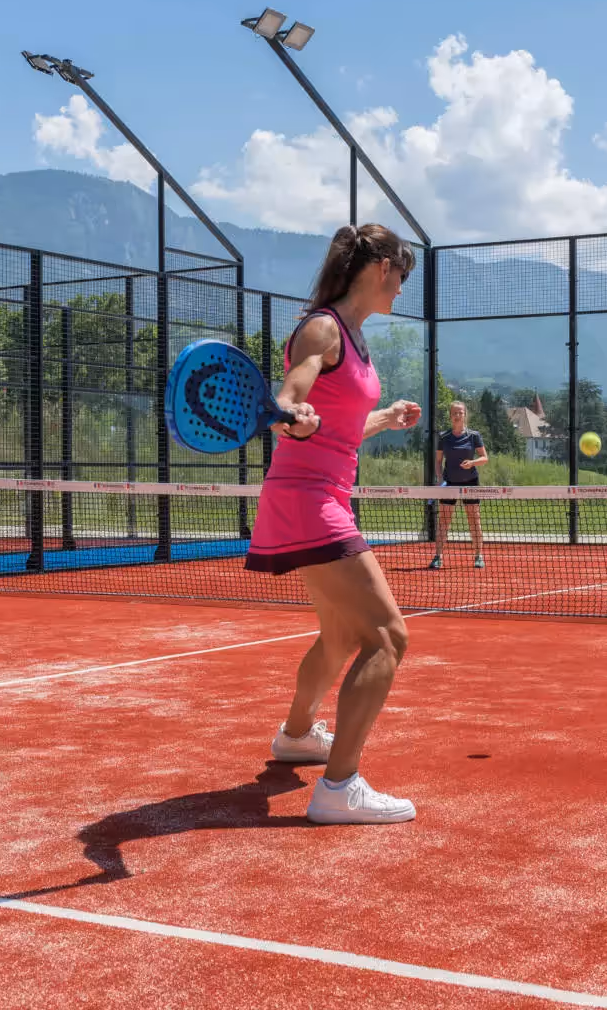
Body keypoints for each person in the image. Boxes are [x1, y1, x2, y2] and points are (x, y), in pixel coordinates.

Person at [244, 223, 422, 825]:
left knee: (343, 636)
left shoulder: (358, 340)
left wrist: (384, 418)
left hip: (323, 493)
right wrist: (292, 412)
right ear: (380, 270)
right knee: (388, 637)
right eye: (401, 276)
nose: (401, 290)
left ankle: (297, 737)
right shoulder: (323, 328)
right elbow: (294, 391)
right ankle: (339, 785)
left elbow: (338, 431)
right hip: (307, 498)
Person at [431, 400, 487, 570]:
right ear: (450, 416)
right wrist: (440, 478)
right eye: (454, 413)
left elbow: (485, 458)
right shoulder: (443, 437)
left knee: (474, 520)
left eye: (460, 412)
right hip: (449, 483)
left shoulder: (474, 435)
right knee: (444, 521)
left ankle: (478, 555)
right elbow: (438, 461)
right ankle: (438, 557)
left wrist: (472, 463)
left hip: (470, 482)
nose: (457, 416)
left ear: (465, 415)